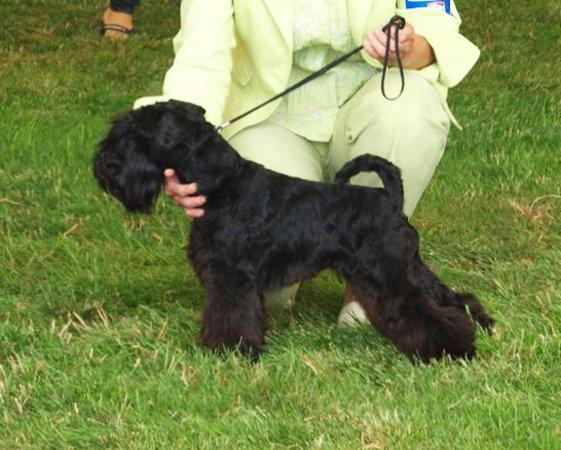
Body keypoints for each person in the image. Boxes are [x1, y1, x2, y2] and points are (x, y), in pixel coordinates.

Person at [133, 0, 480, 325]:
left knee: (411, 111)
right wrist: (175, 153)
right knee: (255, 281)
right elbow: (200, 59)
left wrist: (413, 47)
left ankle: (368, 285)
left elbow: (435, 19)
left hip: (374, 105)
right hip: (270, 121)